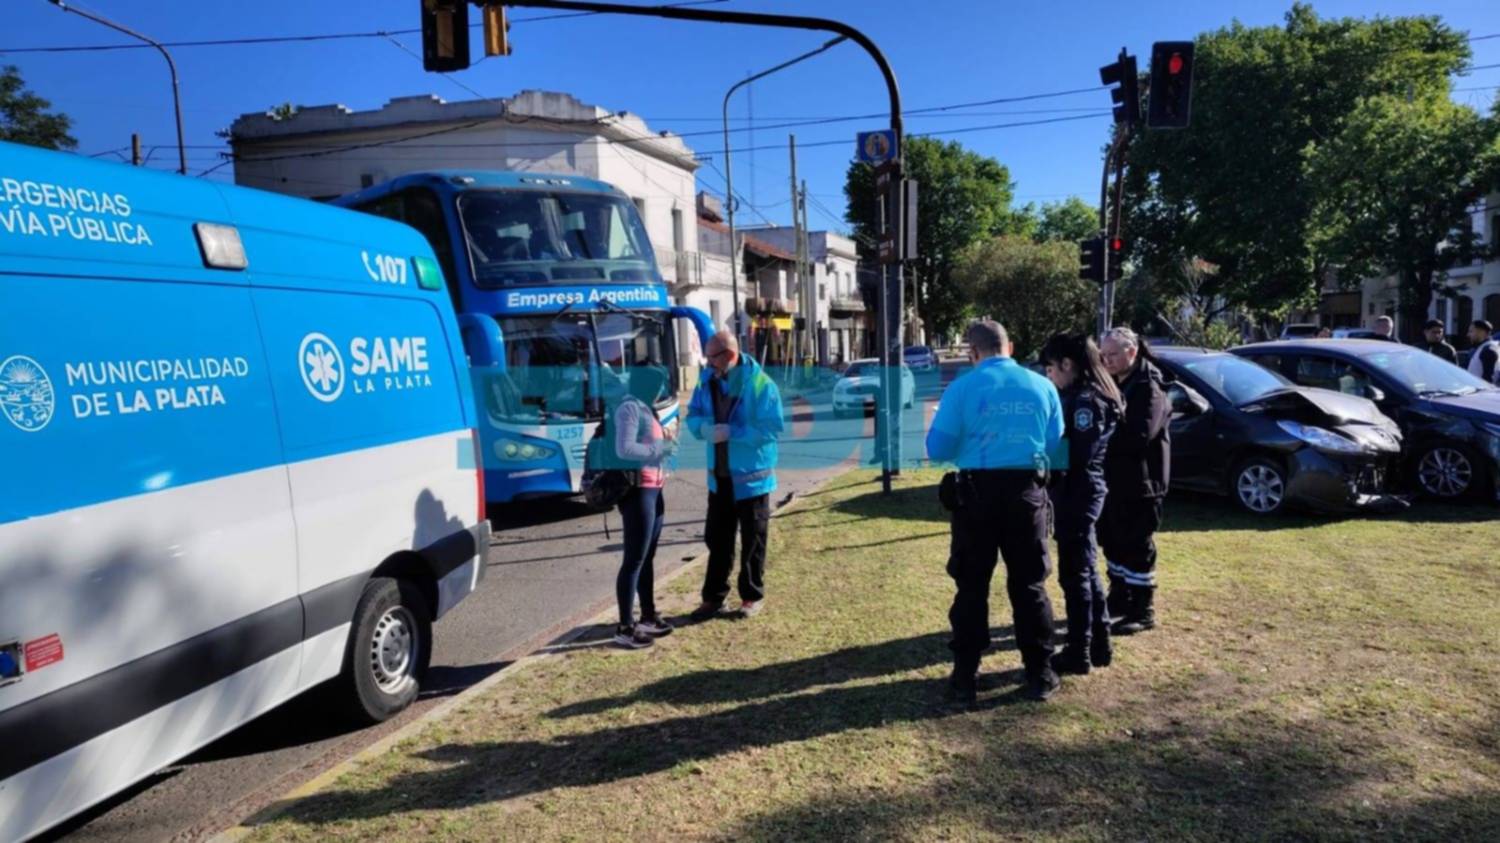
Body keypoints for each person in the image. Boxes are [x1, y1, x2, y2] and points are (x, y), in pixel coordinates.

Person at [927, 320, 1067, 704]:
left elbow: (938, 449)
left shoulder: (961, 388)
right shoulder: (1043, 386)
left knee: (972, 586)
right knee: (1031, 585)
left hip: (976, 497)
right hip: (1026, 494)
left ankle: (965, 677)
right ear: (1011, 346)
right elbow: (1054, 443)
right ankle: (1040, 673)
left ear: (973, 353)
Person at [1039, 333, 1124, 675]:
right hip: (1080, 490)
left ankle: (1079, 650)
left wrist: (1042, 454)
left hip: (1078, 492)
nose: (1049, 376)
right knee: (1087, 569)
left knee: (1075, 576)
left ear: (1067, 364)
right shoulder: (1083, 394)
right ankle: (1098, 643)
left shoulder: (1086, 400)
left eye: (1051, 368)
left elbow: (1078, 453)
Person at [686, 331, 785, 620]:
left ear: (729, 356)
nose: (707, 363)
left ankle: (751, 597)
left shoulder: (761, 385)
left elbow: (771, 429)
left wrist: (734, 433)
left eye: (712, 358)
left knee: (753, 540)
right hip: (720, 478)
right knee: (717, 540)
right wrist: (703, 429)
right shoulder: (707, 381)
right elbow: (693, 415)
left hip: (752, 480)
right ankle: (714, 598)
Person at [1098, 327, 1171, 636]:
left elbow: (1140, 435)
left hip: (1143, 482)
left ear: (1132, 352)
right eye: (1103, 355)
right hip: (1115, 480)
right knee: (1112, 540)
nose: (1107, 360)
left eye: (1113, 354)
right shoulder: (1116, 381)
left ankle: (1143, 608)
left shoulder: (1148, 386)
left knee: (1137, 544)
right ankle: (1120, 597)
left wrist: (1100, 441)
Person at [609, 366, 678, 649]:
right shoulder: (629, 409)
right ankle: (625, 626)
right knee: (634, 560)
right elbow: (623, 449)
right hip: (638, 490)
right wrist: (657, 450)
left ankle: (647, 615)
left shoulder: (646, 408)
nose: (660, 391)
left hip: (654, 487)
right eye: (657, 386)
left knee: (647, 556)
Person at [1468, 319, 1500, 384]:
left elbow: (1488, 380)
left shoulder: (1488, 350)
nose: (1468, 334)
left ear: (1482, 332)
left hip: (1481, 393)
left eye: (1471, 331)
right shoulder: (1485, 347)